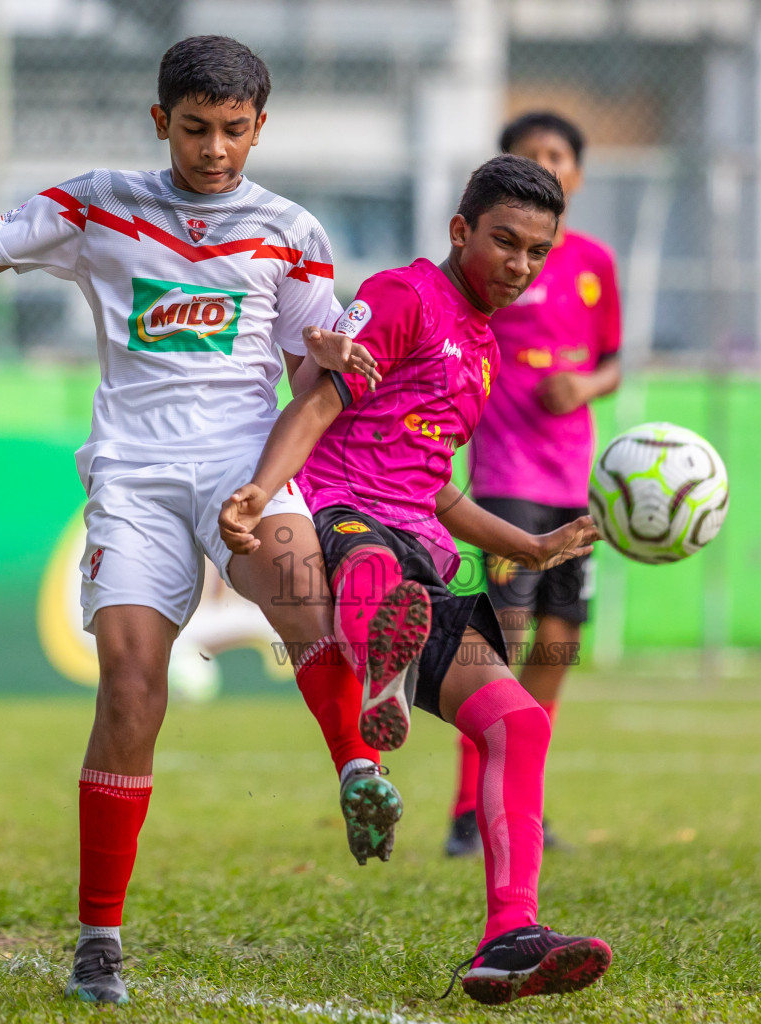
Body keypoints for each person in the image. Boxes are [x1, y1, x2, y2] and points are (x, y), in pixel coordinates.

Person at [0, 35, 401, 1004]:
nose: (214, 149)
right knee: (130, 692)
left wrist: (331, 349)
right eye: (195, 129)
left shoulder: (291, 230)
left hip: (244, 462)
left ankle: (359, 768)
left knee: (300, 591)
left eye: (234, 131)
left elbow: (310, 359)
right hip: (135, 473)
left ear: (259, 128)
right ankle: (99, 939)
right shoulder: (97, 203)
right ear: (162, 122)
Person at [220, 155, 612, 1005]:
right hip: (343, 516)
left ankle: (509, 936)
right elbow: (321, 401)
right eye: (504, 241)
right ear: (460, 230)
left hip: (421, 552)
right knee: (372, 562)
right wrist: (258, 489)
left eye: (537, 253)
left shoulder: (483, 347)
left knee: (518, 724)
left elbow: (438, 484)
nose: (519, 264)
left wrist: (533, 547)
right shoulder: (401, 296)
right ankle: (379, 671)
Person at [446, 112, 622, 858]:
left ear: (577, 174)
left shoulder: (593, 264)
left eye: (558, 156)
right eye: (530, 156)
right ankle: (466, 811)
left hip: (571, 482)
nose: (547, 165)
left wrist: (583, 386)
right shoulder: (497, 262)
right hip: (505, 478)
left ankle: (526, 807)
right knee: (505, 636)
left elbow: (615, 360)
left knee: (557, 645)